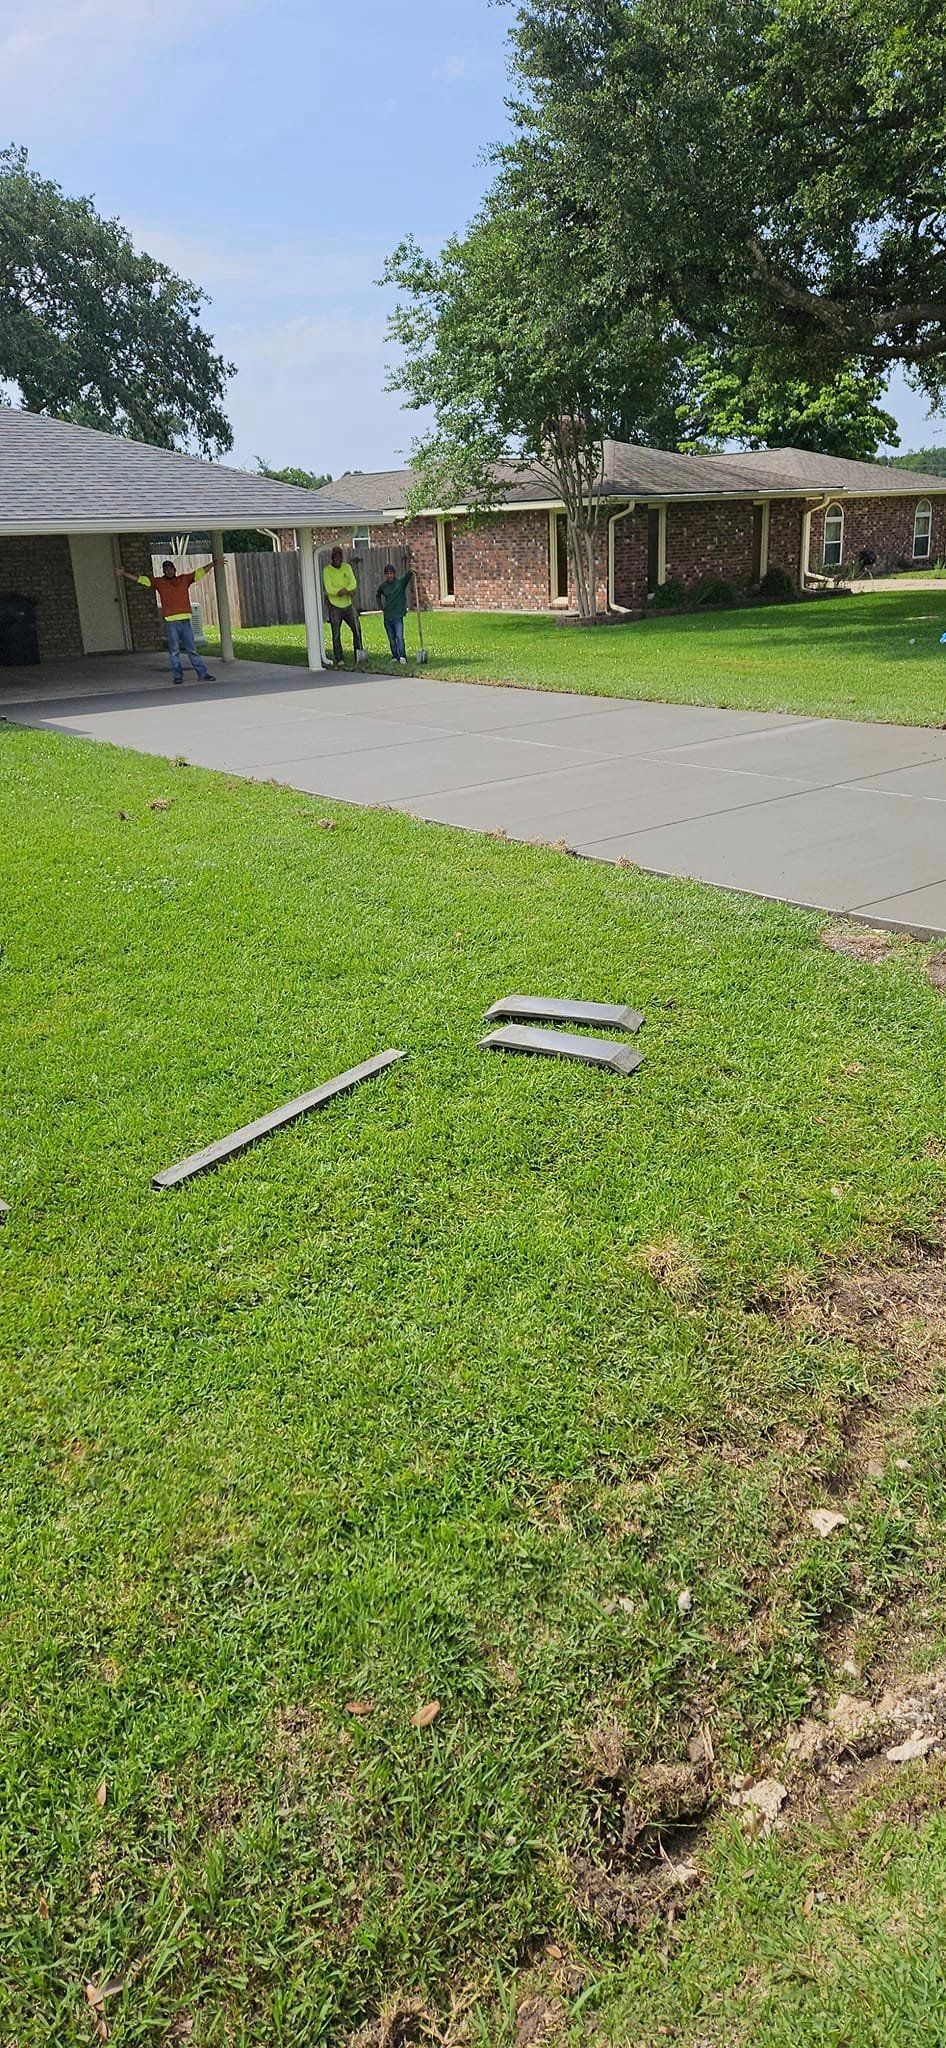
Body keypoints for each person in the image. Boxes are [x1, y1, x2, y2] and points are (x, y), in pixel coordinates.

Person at [121, 557, 215, 685]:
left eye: (170, 568)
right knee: (174, 651)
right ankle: (178, 676)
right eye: (166, 569)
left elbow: (199, 572)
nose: (169, 571)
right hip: (171, 622)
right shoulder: (159, 582)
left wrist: (213, 563)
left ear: (174, 569)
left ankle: (202, 674)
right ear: (163, 571)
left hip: (185, 620)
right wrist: (124, 574)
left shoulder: (184, 579)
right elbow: (141, 580)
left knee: (192, 649)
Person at [322, 547, 364, 669]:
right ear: (332, 558)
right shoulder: (327, 570)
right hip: (335, 606)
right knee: (336, 634)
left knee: (357, 629)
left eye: (339, 557)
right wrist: (339, 591)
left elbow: (353, 583)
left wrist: (348, 590)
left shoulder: (347, 567)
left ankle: (358, 654)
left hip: (348, 604)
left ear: (342, 557)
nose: (338, 560)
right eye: (335, 557)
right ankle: (339, 658)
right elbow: (329, 588)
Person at [376, 563, 413, 664]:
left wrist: (411, 571)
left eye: (391, 573)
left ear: (394, 574)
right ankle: (395, 656)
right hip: (388, 616)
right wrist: (381, 607)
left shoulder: (400, 583)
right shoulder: (383, 586)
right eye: (387, 574)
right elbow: (378, 595)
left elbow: (407, 577)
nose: (389, 575)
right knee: (391, 638)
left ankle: (402, 656)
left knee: (399, 637)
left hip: (397, 616)